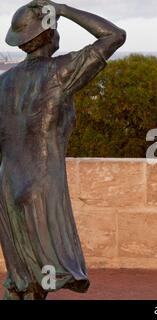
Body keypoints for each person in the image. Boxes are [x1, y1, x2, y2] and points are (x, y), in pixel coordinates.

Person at [0, 0, 126, 300]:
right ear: (48, 34)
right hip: (41, 185)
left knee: (22, 280)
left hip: (5, 186)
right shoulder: (61, 72)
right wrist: (64, 9)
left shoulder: (3, 83)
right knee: (40, 277)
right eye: (55, 27)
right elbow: (113, 36)